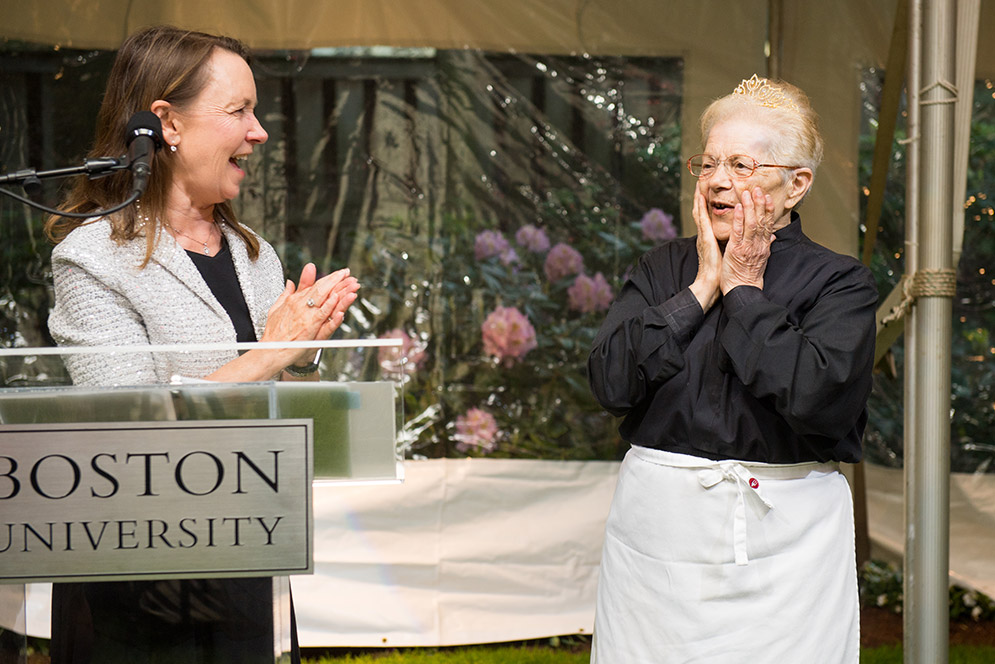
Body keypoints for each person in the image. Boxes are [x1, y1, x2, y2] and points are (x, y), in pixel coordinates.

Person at [44, 25, 360, 663]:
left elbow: (260, 402)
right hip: (136, 581)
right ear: (167, 122)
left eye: (256, 110)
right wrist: (271, 353)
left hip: (246, 554)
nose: (260, 131)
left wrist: (304, 362)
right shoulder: (92, 258)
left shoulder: (254, 254)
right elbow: (125, 425)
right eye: (238, 110)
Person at [586, 74, 878, 663]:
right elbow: (611, 383)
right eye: (709, 163)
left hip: (787, 544)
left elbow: (819, 398)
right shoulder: (663, 269)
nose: (718, 181)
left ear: (796, 185)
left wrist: (743, 289)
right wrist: (697, 292)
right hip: (657, 539)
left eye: (742, 166)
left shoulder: (839, 282)